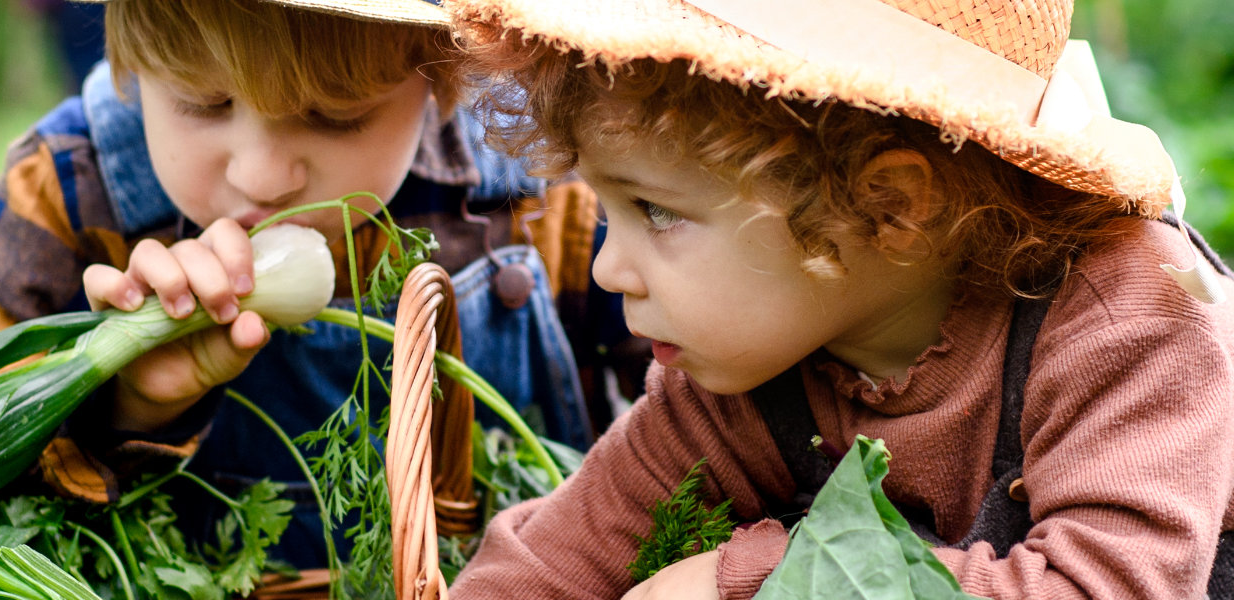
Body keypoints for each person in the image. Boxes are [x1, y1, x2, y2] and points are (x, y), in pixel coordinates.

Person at [442, 0, 1234, 598]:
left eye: (655, 211)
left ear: (886, 208)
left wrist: (753, 577)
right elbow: (551, 562)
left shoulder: (1124, 320)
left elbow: (1106, 588)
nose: (611, 268)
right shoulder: (744, 377)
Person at [0, 0, 639, 572]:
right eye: (203, 101)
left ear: (444, 75)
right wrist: (130, 407)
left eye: (334, 116)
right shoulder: (63, 202)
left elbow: (710, 415)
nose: (262, 178)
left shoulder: (545, 186)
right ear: (130, 63)